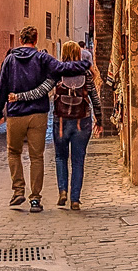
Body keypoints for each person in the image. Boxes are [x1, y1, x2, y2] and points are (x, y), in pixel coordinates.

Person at [0, 25, 89, 213]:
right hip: (38, 114)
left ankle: (18, 191)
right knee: (36, 157)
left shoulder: (10, 59)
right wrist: (84, 64)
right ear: (36, 40)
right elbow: (62, 68)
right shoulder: (42, 58)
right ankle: (35, 199)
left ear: (20, 40)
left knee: (14, 153)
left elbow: (1, 86)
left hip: (15, 114)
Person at [9, 41, 102, 211]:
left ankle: (63, 191)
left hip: (61, 121)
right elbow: (95, 98)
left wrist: (18, 97)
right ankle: (75, 199)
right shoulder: (87, 74)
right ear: (78, 54)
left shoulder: (56, 74)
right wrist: (100, 120)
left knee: (60, 157)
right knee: (78, 160)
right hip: (82, 121)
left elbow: (40, 91)